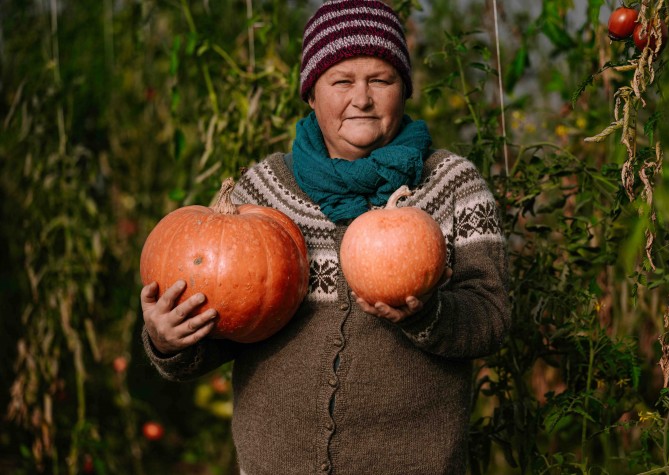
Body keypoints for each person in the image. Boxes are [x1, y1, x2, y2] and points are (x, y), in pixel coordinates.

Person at [140, 1, 510, 473]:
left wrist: (428, 314)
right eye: (341, 81)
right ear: (311, 94)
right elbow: (232, 324)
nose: (362, 98)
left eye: (381, 79)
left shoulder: (451, 184)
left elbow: (492, 317)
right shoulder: (264, 192)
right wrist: (171, 341)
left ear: (405, 90)